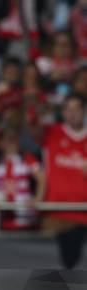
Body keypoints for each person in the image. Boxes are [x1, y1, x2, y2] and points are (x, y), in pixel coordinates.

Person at [41, 94, 87, 269]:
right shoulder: (51, 133)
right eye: (68, 110)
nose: (72, 114)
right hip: (57, 216)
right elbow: (29, 126)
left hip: (85, 215)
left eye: (77, 109)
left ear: (84, 111)